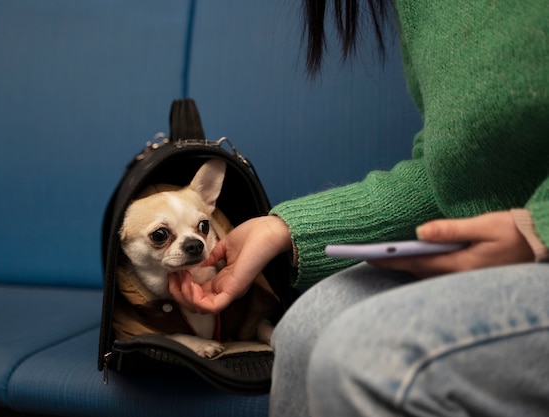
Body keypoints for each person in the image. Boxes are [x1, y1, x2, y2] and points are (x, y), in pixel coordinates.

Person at [170, 0, 549, 415]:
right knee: (303, 332)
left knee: (359, 357)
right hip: (488, 256)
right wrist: (286, 229)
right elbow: (451, 172)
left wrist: (536, 228)